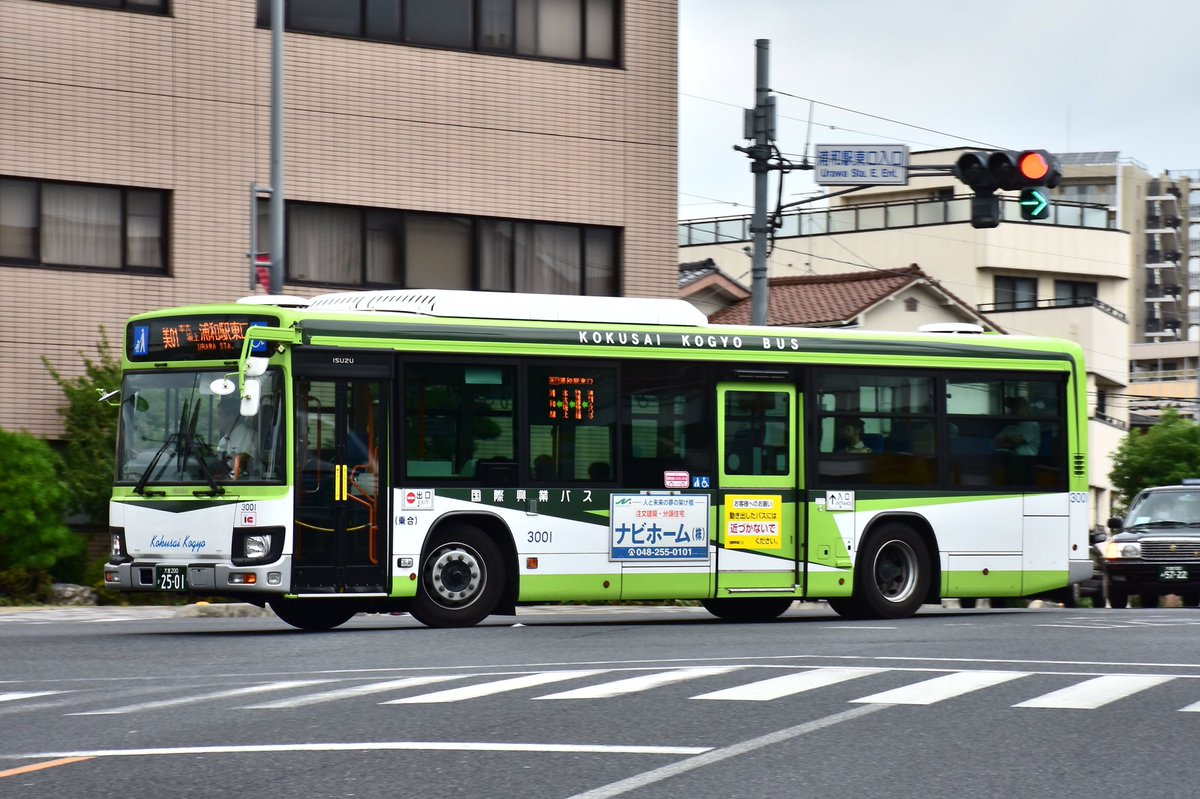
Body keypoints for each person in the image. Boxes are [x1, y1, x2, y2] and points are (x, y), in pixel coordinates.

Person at [216, 397, 254, 479]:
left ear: (231, 418)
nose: (218, 419)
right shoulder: (223, 441)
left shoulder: (249, 437)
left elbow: (241, 469)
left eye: (220, 415)